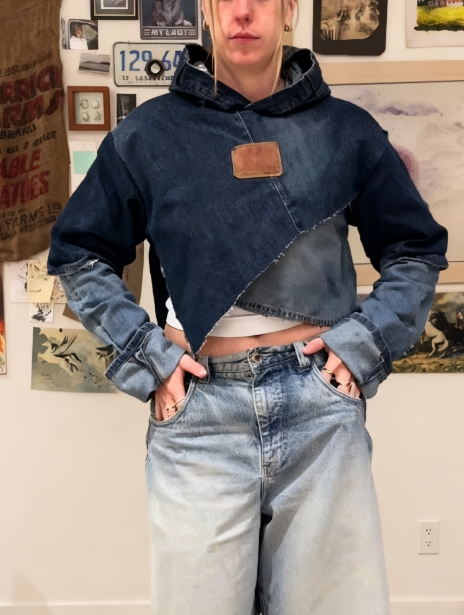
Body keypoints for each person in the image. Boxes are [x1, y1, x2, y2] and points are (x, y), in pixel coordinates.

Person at [47, 0, 448, 611]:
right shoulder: (150, 134)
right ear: (207, 10)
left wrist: (364, 343)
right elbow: (79, 252)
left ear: (288, 9)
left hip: (320, 416)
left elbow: (414, 249)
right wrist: (148, 357)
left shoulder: (347, 131)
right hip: (199, 414)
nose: (242, 11)